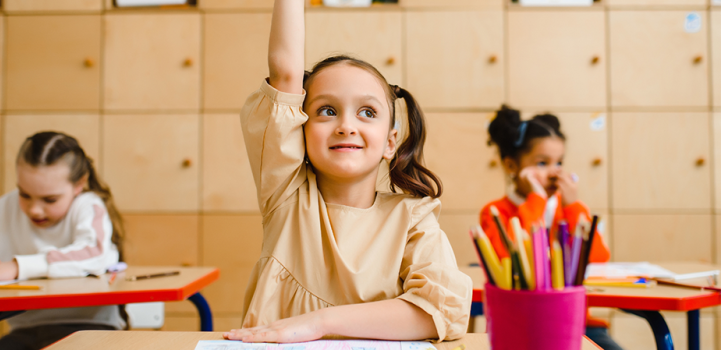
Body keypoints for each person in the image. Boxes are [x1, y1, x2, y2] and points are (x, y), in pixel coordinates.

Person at [222, 0, 472, 343]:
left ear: (390, 142)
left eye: (367, 112)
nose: (346, 126)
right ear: (300, 131)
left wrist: (319, 322)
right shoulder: (287, 194)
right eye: (327, 110)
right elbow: (285, 74)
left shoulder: (413, 217)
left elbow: (441, 311)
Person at [0, 131, 125, 350]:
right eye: (24, 194)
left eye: (50, 199)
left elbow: (95, 253)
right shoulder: (7, 207)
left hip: (89, 329)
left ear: (79, 184)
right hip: (25, 333)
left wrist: (15, 267)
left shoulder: (88, 206)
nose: (34, 210)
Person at [480, 105, 622, 350]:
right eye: (542, 162)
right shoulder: (496, 212)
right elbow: (508, 256)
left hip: (574, 323)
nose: (555, 172)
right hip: (520, 322)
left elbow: (598, 258)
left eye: (559, 162)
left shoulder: (568, 209)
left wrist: (573, 206)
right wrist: (535, 200)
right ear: (512, 166)